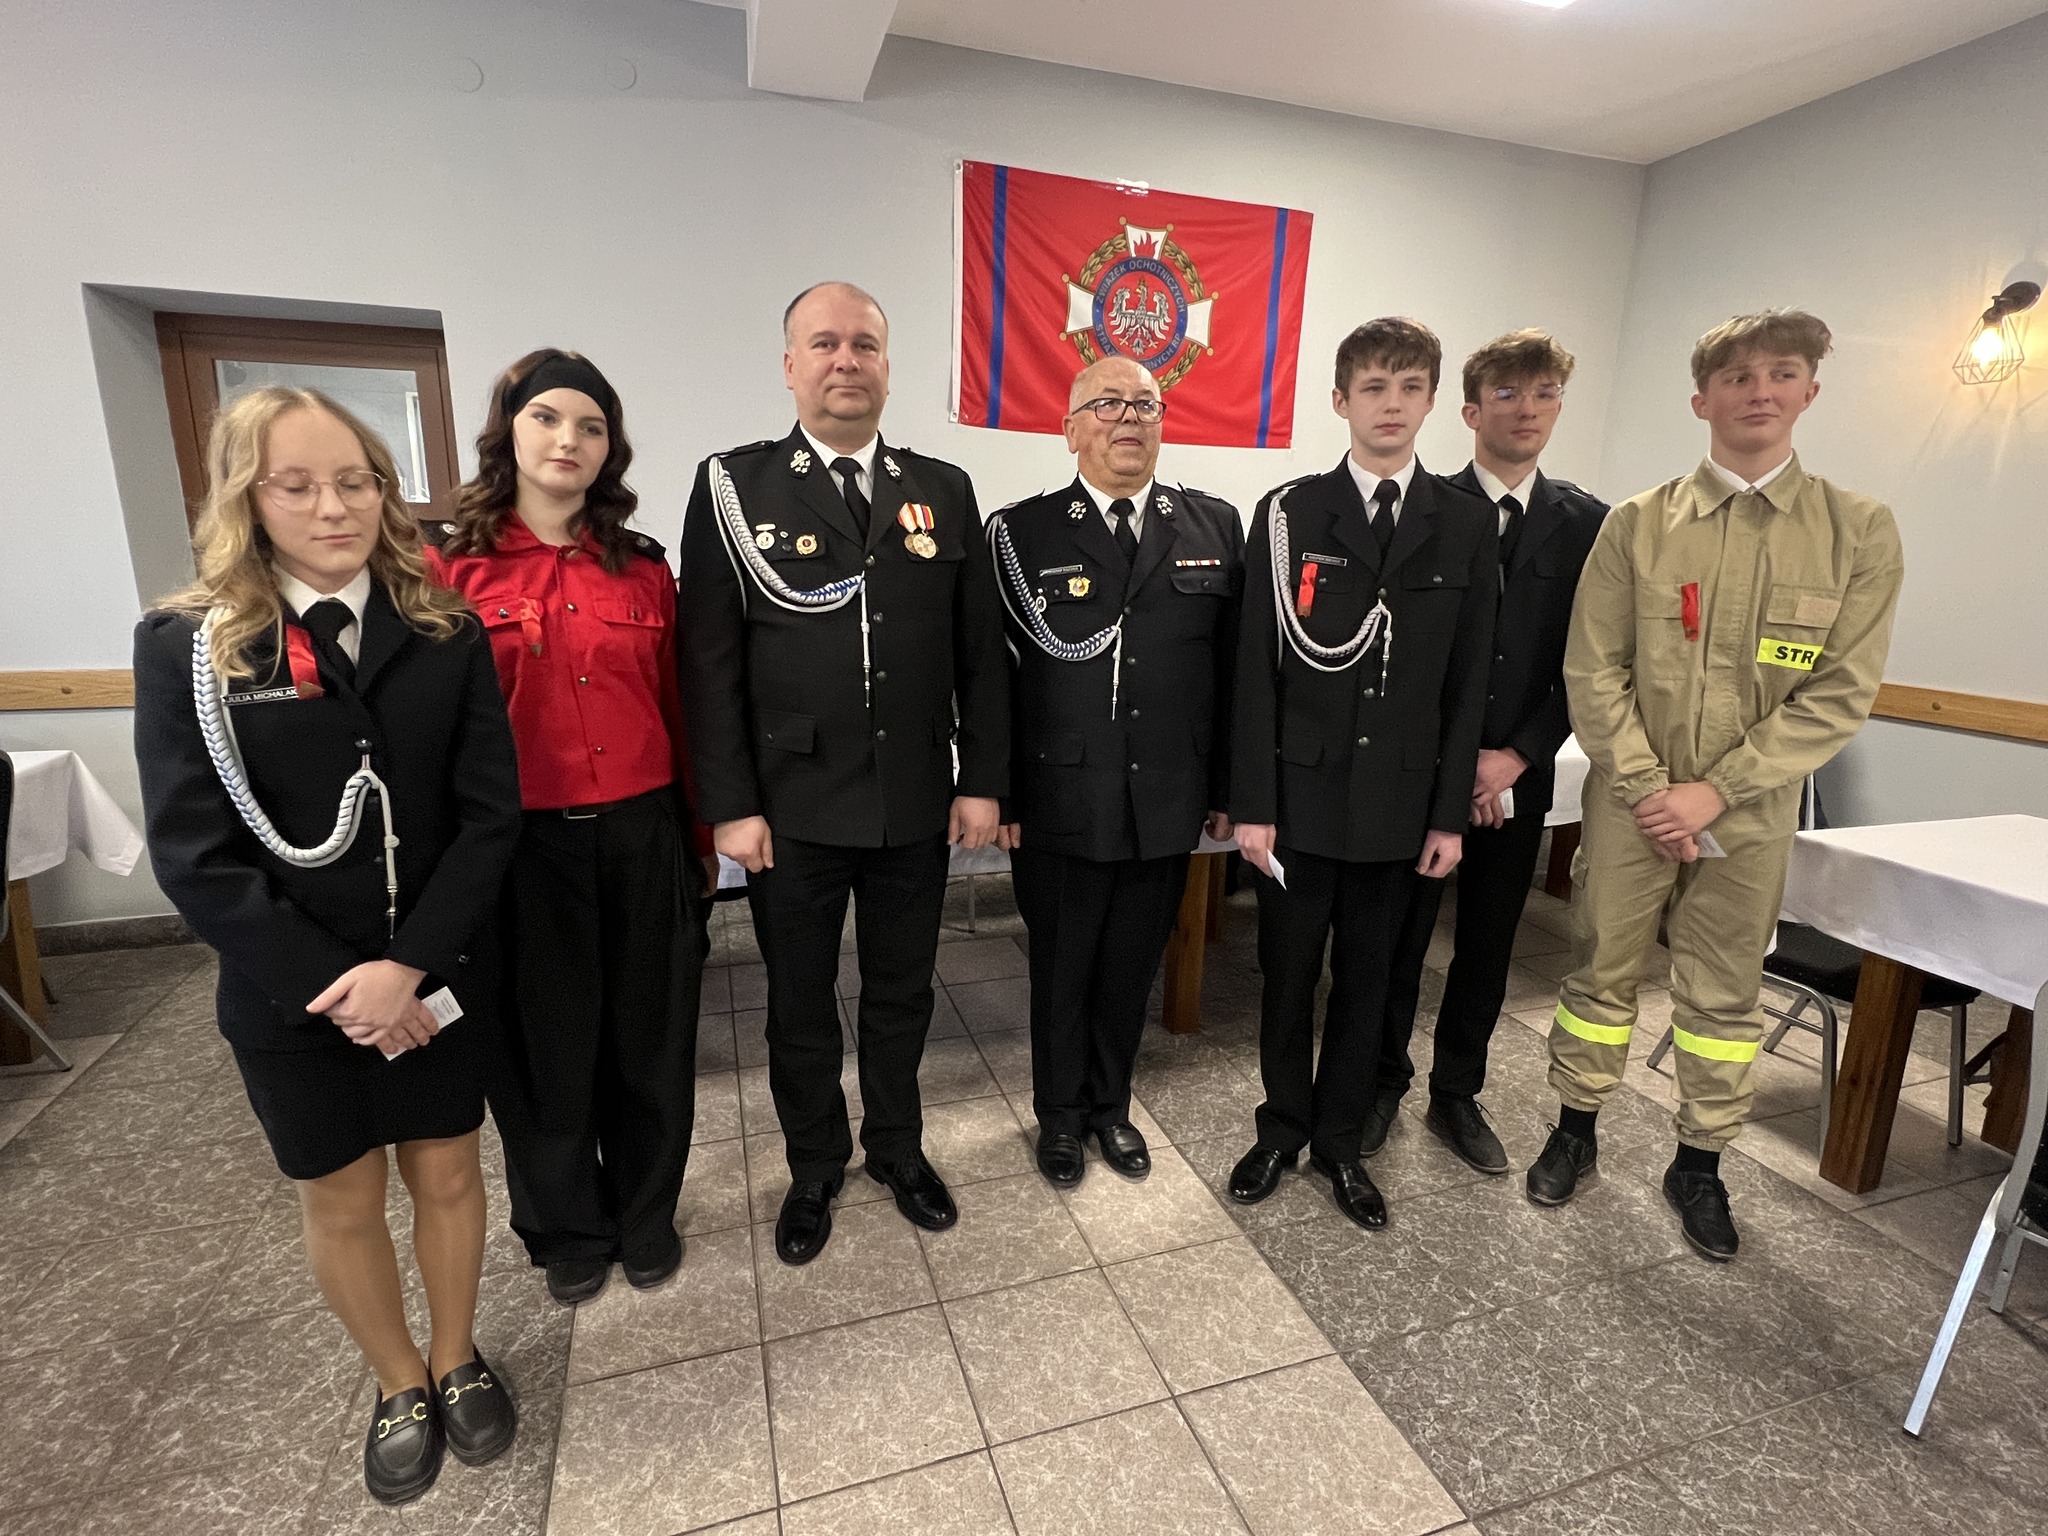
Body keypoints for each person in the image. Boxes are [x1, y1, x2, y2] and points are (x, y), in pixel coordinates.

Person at [133, 387, 523, 1504]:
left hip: (433, 972)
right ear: (245, 497)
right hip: (290, 995)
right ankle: (398, 1379)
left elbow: (487, 816)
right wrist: (340, 986)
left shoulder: (443, 629)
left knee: (447, 1171)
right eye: (295, 485)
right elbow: (194, 853)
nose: (332, 507)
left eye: (355, 481)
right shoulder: (191, 646)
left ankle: (455, 1354)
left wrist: (409, 969)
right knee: (341, 1196)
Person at [1527, 310, 1904, 1263]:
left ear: (1810, 391)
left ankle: (1699, 1162)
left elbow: (1838, 694)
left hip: (1752, 812)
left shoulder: (1856, 531)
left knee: (1726, 995)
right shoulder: (1638, 525)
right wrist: (1651, 787)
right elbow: (1593, 670)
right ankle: (1575, 1127)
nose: (1759, 391)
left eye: (1780, 373)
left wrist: (1716, 791)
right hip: (1630, 803)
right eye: (1737, 377)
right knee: (1599, 968)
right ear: (1703, 400)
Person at [678, 282, 1009, 1264]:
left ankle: (897, 1148)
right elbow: (708, 660)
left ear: (886, 366)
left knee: (903, 992)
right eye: (823, 343)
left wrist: (981, 779)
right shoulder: (734, 485)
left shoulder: (941, 488)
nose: (845, 360)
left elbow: (977, 654)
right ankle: (815, 1163)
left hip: (912, 797)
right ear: (790, 365)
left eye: (863, 344)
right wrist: (729, 805)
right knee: (799, 1001)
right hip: (791, 806)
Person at [425, 350, 712, 1307]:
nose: (568, 440)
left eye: (591, 427)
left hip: (641, 834)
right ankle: (566, 1228)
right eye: (546, 418)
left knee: (651, 1042)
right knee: (541, 1052)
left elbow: (679, 708)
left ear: (609, 448)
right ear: (508, 431)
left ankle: (645, 1214)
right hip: (520, 851)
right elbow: (428, 736)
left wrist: (698, 844)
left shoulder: (644, 568)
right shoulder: (447, 570)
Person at [1227, 318, 1498, 1229]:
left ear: (1433, 402)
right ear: (1341, 401)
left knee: (1370, 984)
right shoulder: (1288, 515)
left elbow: (1468, 684)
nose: (1392, 404)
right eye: (1374, 387)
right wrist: (1253, 805)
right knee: (1286, 977)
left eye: (1410, 387)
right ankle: (1280, 1128)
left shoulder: (1464, 523)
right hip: (1298, 802)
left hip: (1400, 807)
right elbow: (1255, 673)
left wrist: (1448, 817)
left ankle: (1341, 1144)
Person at [989, 356, 1244, 1189]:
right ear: (1070, 430)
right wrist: (1002, 792)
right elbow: (993, 681)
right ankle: (1060, 1117)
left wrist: (1225, 790)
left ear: (1163, 424)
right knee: (1063, 966)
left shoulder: (1213, 526)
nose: (1128, 417)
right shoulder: (1020, 533)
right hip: (1059, 795)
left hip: (1165, 796)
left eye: (1145, 404)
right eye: (1106, 404)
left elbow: (1232, 675)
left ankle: (1111, 1107)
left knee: (1132, 964)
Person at [1373, 330, 1609, 1173]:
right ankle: (1381, 1081)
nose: (1527, 410)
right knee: (1400, 939)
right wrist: (1456, 757)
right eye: (1507, 394)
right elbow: (1399, 651)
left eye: (1544, 393)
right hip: (1423, 772)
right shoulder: (1425, 508)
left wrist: (1515, 755)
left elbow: (1594, 660)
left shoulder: (1589, 524)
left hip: (1520, 772)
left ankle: (1456, 1093)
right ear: (1471, 411)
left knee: (1487, 942)